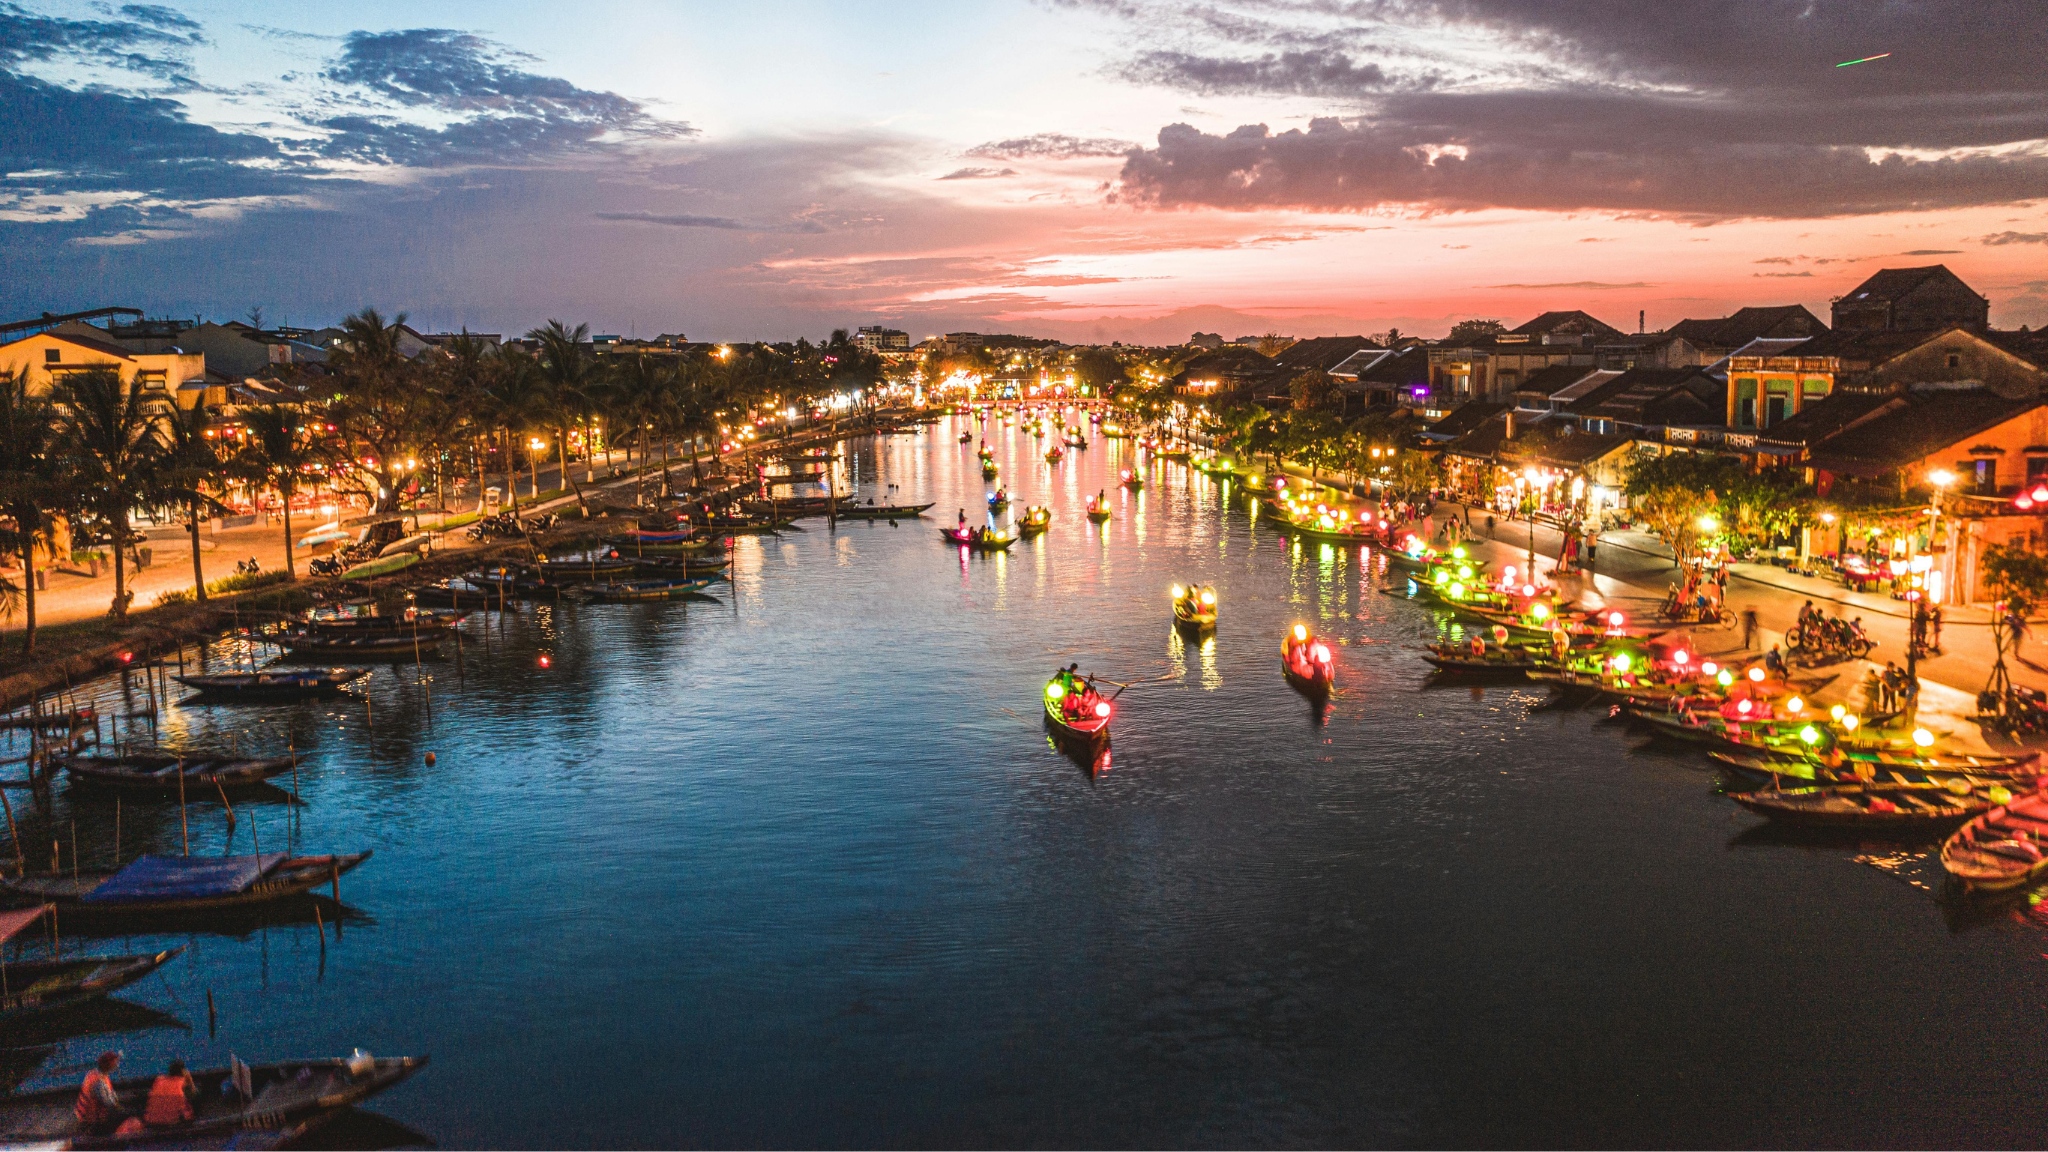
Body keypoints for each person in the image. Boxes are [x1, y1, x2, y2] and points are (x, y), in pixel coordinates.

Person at [75, 1052, 124, 1133]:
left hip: (84, 1116)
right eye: (115, 1063)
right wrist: (121, 1107)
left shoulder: (93, 1073)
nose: (116, 1065)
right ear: (108, 1065)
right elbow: (109, 1104)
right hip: (92, 1121)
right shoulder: (99, 1083)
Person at [142, 1060, 195, 1127]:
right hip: (172, 1124)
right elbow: (193, 1094)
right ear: (183, 1071)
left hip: (151, 1122)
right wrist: (190, 1080)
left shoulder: (159, 1080)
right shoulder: (182, 1083)